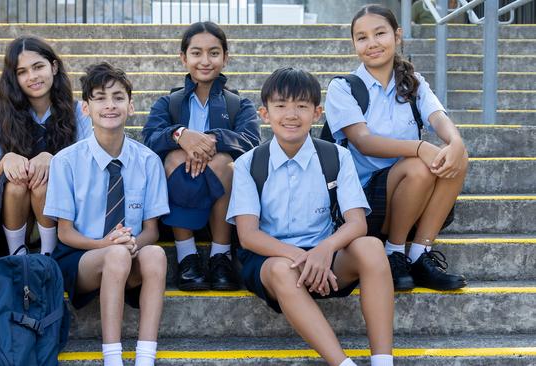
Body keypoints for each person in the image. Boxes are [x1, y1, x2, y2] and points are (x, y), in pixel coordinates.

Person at [228, 67, 394, 366]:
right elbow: (248, 235)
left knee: (371, 246)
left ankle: (383, 361)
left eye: (302, 106)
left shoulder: (336, 157)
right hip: (272, 258)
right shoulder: (248, 164)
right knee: (281, 269)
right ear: (264, 113)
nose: (291, 114)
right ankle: (342, 363)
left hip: (325, 256)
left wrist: (324, 249)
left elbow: (357, 222)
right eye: (281, 106)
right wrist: (302, 258)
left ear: (317, 112)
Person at [325, 4, 468, 291]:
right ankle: (394, 252)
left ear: (397, 35)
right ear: (354, 44)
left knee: (457, 155)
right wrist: (417, 147)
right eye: (362, 37)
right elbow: (363, 141)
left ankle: (419, 254)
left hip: (416, 198)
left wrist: (457, 143)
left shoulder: (413, 83)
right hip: (365, 203)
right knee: (418, 165)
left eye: (380, 33)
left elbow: (440, 119)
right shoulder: (343, 88)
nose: (372, 43)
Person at [44, 62, 169, 366]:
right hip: (82, 258)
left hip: (130, 252)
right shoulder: (66, 161)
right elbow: (65, 233)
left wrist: (130, 244)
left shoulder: (148, 161)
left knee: (156, 255)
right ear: (85, 109)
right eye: (100, 98)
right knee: (115, 256)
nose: (109, 105)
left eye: (117, 97)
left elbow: (152, 229)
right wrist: (108, 246)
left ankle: (145, 356)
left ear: (131, 105)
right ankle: (112, 358)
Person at [142, 21, 260, 291]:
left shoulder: (239, 104)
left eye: (214, 53)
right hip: (177, 203)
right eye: (196, 53)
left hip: (224, 204)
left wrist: (210, 140)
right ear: (184, 58)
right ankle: (187, 255)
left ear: (225, 58)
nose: (205, 61)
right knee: (173, 158)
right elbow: (149, 139)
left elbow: (252, 142)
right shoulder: (167, 103)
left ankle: (221, 255)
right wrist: (180, 134)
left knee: (224, 162)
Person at [0, 36, 92, 257]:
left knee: (42, 184)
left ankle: (50, 253)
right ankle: (16, 253)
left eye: (38, 67)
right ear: (14, 78)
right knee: (16, 184)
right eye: (22, 72)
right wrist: (8, 158)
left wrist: (53, 160)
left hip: (62, 211)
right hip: (14, 212)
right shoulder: (1, 110)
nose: (32, 77)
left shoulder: (77, 111)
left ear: (54, 67)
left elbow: (86, 172)